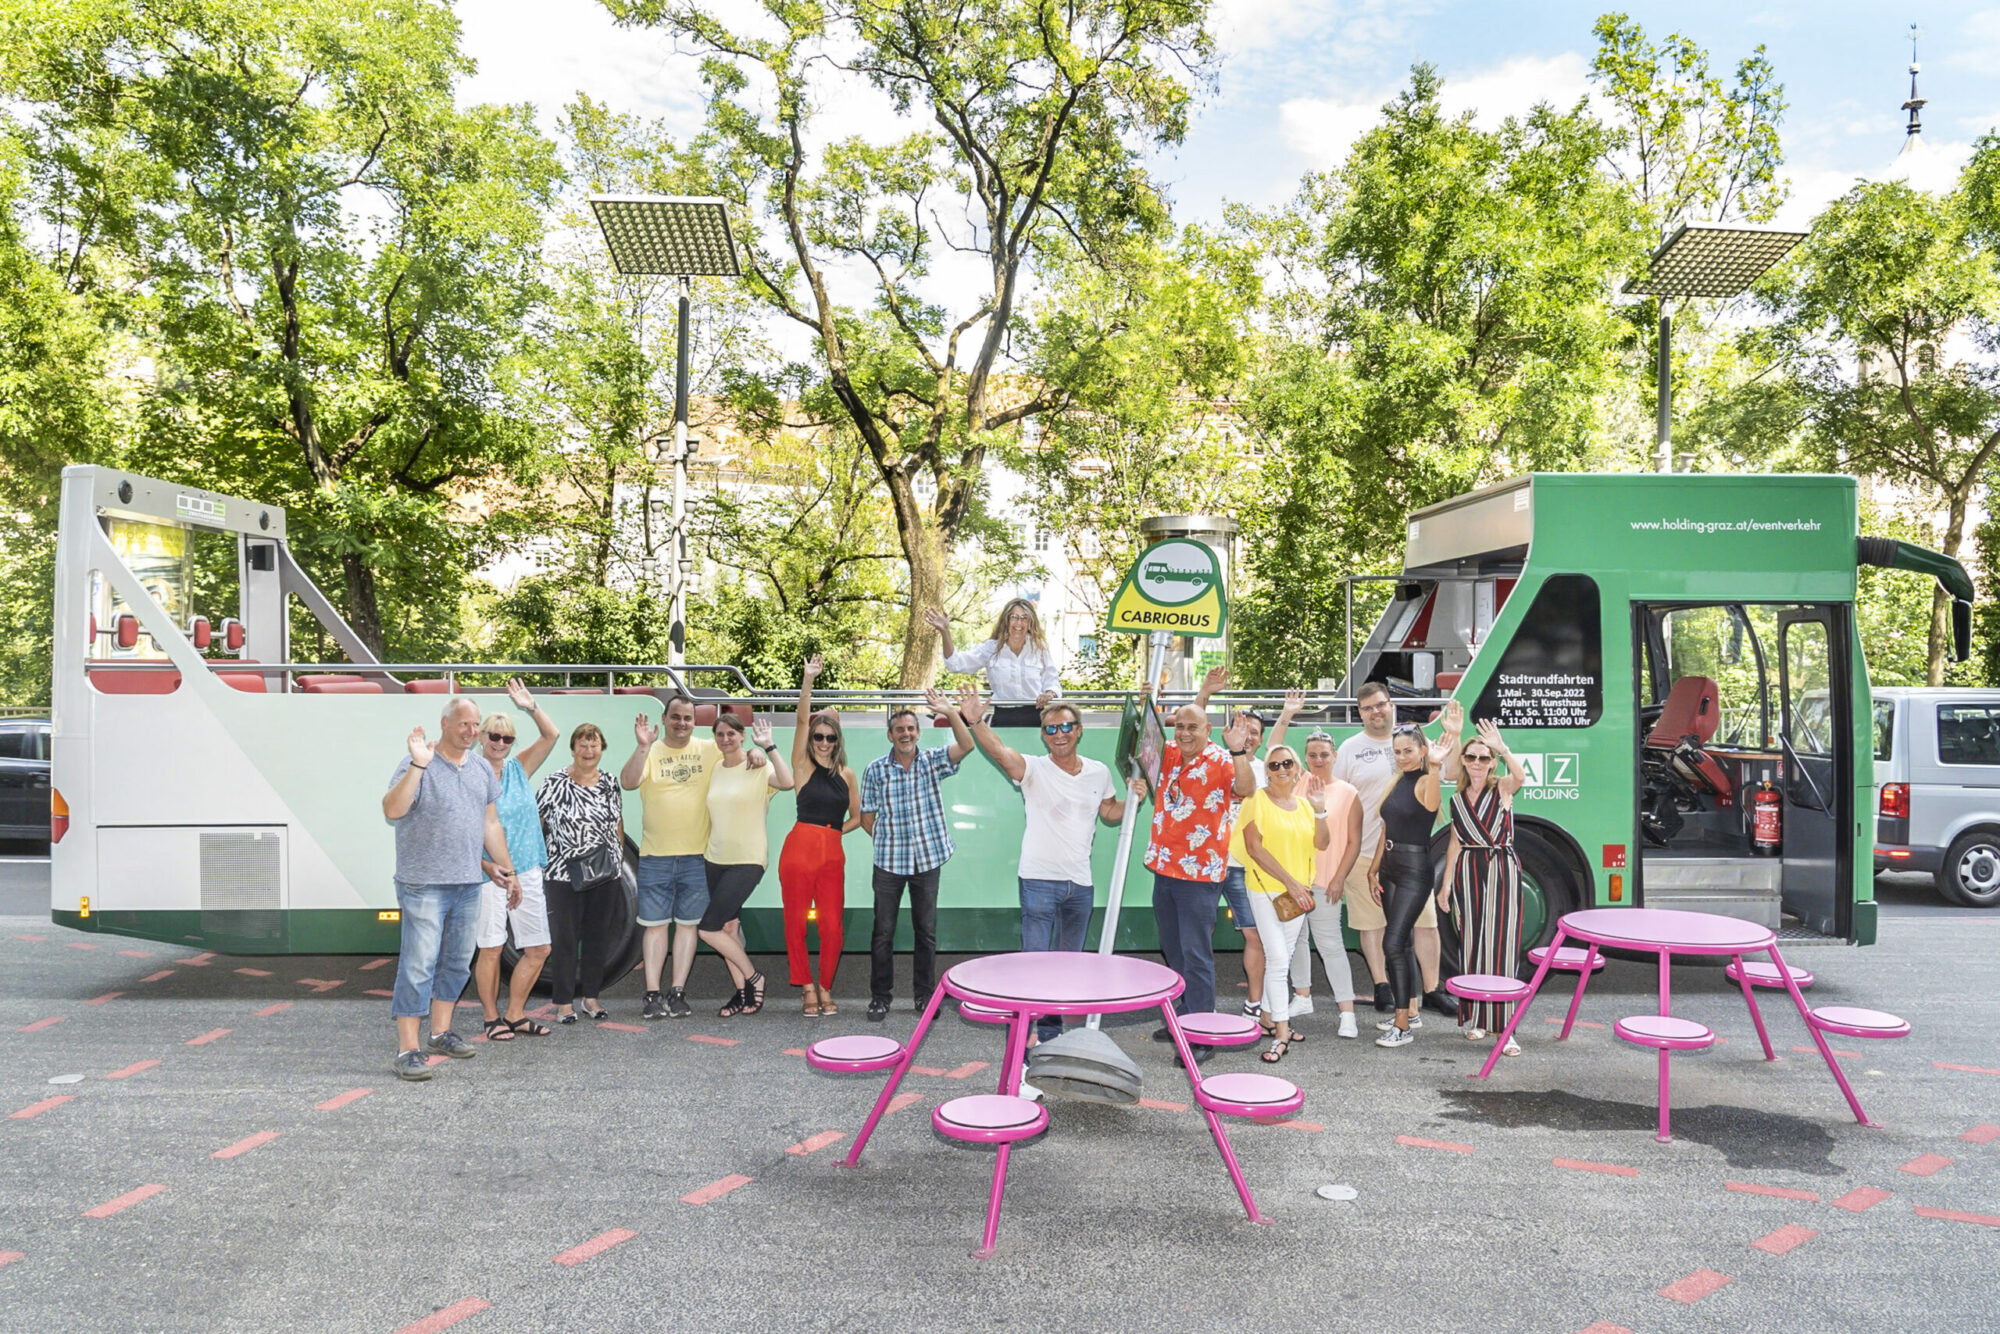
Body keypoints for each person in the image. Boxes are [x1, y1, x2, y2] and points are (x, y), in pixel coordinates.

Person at [958, 681, 1128, 1051]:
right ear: (1043, 736)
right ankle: (1021, 1037)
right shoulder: (1034, 769)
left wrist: (1132, 801)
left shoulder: (1098, 773)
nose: (1059, 734)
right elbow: (1001, 752)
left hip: (1080, 886)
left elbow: (1110, 813)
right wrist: (976, 723)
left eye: (1066, 726)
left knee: (1068, 967)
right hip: (1038, 881)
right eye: (1051, 729)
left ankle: (1049, 1037)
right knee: (1033, 967)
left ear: (1079, 730)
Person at [381, 697, 517, 1081]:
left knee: (457, 964)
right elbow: (392, 810)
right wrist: (418, 765)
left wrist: (506, 869)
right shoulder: (418, 762)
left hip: (467, 884)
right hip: (423, 883)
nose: (472, 731)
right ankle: (408, 1048)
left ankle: (440, 1033)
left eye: (475, 724)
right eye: (464, 724)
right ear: (445, 724)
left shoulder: (479, 768)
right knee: (418, 966)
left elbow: (490, 825)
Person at [620, 694, 763, 1021]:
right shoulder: (651, 750)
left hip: (699, 857)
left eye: (687, 717)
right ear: (665, 719)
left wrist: (755, 751)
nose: (681, 723)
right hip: (655, 854)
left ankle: (678, 992)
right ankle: (653, 994)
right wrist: (642, 746)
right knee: (655, 927)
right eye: (675, 717)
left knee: (688, 927)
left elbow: (738, 752)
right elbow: (627, 782)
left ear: (694, 721)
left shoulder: (709, 748)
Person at [1138, 692, 1256, 1063]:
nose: (1186, 732)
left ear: (1208, 731)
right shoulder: (1169, 753)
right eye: (1181, 726)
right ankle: (1184, 1017)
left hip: (1199, 874)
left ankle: (1204, 1034)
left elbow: (1247, 789)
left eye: (1194, 727)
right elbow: (1140, 738)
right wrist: (1147, 701)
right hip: (1164, 867)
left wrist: (1238, 752)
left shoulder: (1222, 760)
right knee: (1172, 948)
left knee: (1196, 954)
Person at [1335, 681, 1454, 1016]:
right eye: (1368, 707)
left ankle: (1431, 989)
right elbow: (1338, 799)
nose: (1376, 712)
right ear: (1360, 713)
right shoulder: (1349, 749)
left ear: (1392, 705)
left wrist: (1453, 735)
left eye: (1381, 704)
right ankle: (1382, 985)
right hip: (1364, 854)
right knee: (1372, 926)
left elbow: (1450, 772)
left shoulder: (1417, 744)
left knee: (1426, 924)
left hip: (1411, 856)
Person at [860, 689, 974, 1021]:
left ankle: (924, 996)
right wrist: (889, 841)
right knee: (883, 932)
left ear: (918, 732)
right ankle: (880, 997)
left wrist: (950, 711)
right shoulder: (876, 770)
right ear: (890, 735)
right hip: (889, 864)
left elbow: (967, 745)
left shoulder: (934, 760)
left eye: (911, 729)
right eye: (899, 730)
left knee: (926, 931)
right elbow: (867, 817)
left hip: (927, 861)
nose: (906, 734)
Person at [1204, 670, 1301, 1021]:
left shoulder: (1266, 770)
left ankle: (1253, 1007)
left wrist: (1287, 715)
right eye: (1242, 730)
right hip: (1207, 862)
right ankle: (1199, 1006)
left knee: (1255, 936)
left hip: (1245, 868)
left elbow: (1279, 743)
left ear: (1259, 740)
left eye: (1254, 733)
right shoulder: (1214, 761)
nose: (1248, 737)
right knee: (1200, 934)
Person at [471, 679, 560, 1042]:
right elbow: (466, 832)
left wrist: (531, 706)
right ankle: (491, 1018)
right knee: (491, 947)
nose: (500, 743)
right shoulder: (468, 773)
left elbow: (552, 735)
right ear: (481, 736)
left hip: (527, 869)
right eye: (494, 736)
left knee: (539, 948)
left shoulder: (517, 769)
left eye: (507, 738)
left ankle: (515, 1014)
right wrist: (487, 866)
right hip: (489, 875)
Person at [1437, 715, 1527, 1054]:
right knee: (1472, 945)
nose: (1477, 763)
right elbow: (1454, 845)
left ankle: (1506, 1028)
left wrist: (1502, 747)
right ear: (1463, 760)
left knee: (1502, 947)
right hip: (1468, 871)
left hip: (1501, 867)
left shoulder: (1502, 787)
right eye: (1471, 757)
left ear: (1492, 763)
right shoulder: (1457, 799)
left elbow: (1520, 776)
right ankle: (1477, 1018)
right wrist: (1445, 887)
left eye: (1483, 758)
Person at [1235, 745, 1331, 1064]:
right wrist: (1291, 882)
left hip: (1297, 895)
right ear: (1268, 772)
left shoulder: (1305, 805)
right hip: (1267, 891)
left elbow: (1321, 843)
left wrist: (1319, 810)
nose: (1280, 769)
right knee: (1277, 959)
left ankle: (1266, 1016)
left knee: (1283, 958)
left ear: (1298, 768)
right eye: (1274, 765)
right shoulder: (1255, 800)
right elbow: (1254, 848)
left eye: (1287, 763)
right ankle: (1281, 1033)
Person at [700, 711, 795, 1017]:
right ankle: (742, 993)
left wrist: (768, 747)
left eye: (731, 733)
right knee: (728, 927)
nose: (725, 739)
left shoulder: (757, 765)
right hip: (715, 858)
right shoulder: (714, 768)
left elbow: (787, 782)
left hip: (748, 859)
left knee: (708, 929)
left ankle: (755, 978)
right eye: (720, 734)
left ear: (742, 735)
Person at [782, 655, 861, 1017]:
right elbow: (801, 718)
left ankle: (826, 984)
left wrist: (833, 834)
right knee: (795, 921)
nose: (824, 741)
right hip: (798, 848)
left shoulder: (847, 774)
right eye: (818, 735)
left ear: (837, 739)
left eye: (830, 737)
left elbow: (858, 817)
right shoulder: (801, 764)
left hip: (832, 852)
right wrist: (807, 680)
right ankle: (807, 988)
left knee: (832, 927)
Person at [537, 723, 625, 1025]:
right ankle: (562, 1002)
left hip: (604, 873)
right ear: (573, 748)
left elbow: (617, 822)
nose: (589, 751)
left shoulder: (611, 782)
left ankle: (590, 998)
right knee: (564, 938)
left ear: (602, 748)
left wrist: (618, 859)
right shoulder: (554, 782)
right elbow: (538, 822)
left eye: (594, 744)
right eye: (583, 745)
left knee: (597, 938)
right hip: (563, 874)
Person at [1366, 722, 1445, 1048]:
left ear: (1422, 750)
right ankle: (1409, 1012)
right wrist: (1372, 871)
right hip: (1390, 867)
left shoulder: (1427, 780)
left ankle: (1402, 1026)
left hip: (1414, 870)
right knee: (1404, 945)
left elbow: (1430, 806)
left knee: (1393, 944)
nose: (1402, 757)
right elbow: (1387, 829)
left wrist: (1437, 766)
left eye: (1408, 751)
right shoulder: (1397, 781)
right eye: (1397, 752)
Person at [1290, 731, 1365, 1038]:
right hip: (1294, 880)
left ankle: (1347, 1013)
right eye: (1312, 755)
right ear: (1305, 758)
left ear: (1334, 756)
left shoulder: (1348, 793)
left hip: (1325, 881)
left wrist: (1339, 877)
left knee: (1330, 945)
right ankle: (1302, 996)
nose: (1318, 760)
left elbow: (1354, 842)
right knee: (1295, 941)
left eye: (1324, 754)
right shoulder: (1294, 785)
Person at [926, 599, 1061, 727]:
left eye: (1024, 617)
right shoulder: (991, 648)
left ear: (1030, 622)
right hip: (1004, 718)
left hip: (1036, 717)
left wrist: (1049, 694)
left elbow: (1052, 679)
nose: (1019, 623)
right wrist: (945, 631)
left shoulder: (1038, 647)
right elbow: (955, 664)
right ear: (1006, 620)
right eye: (1014, 617)